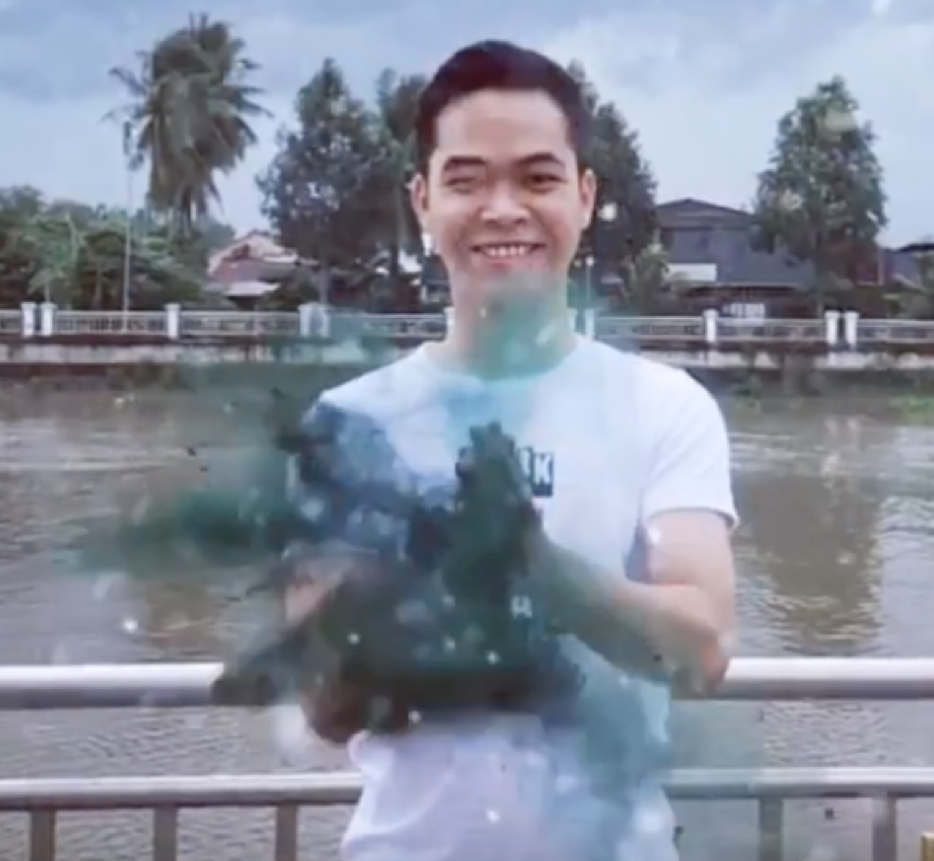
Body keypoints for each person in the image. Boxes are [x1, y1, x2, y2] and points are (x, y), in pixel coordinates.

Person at [283, 40, 738, 861]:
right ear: (423, 201)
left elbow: (701, 651)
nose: (503, 209)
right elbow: (325, 708)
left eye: (537, 178)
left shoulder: (664, 406)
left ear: (584, 196)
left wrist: (537, 566)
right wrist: (404, 588)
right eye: (466, 180)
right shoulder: (348, 421)